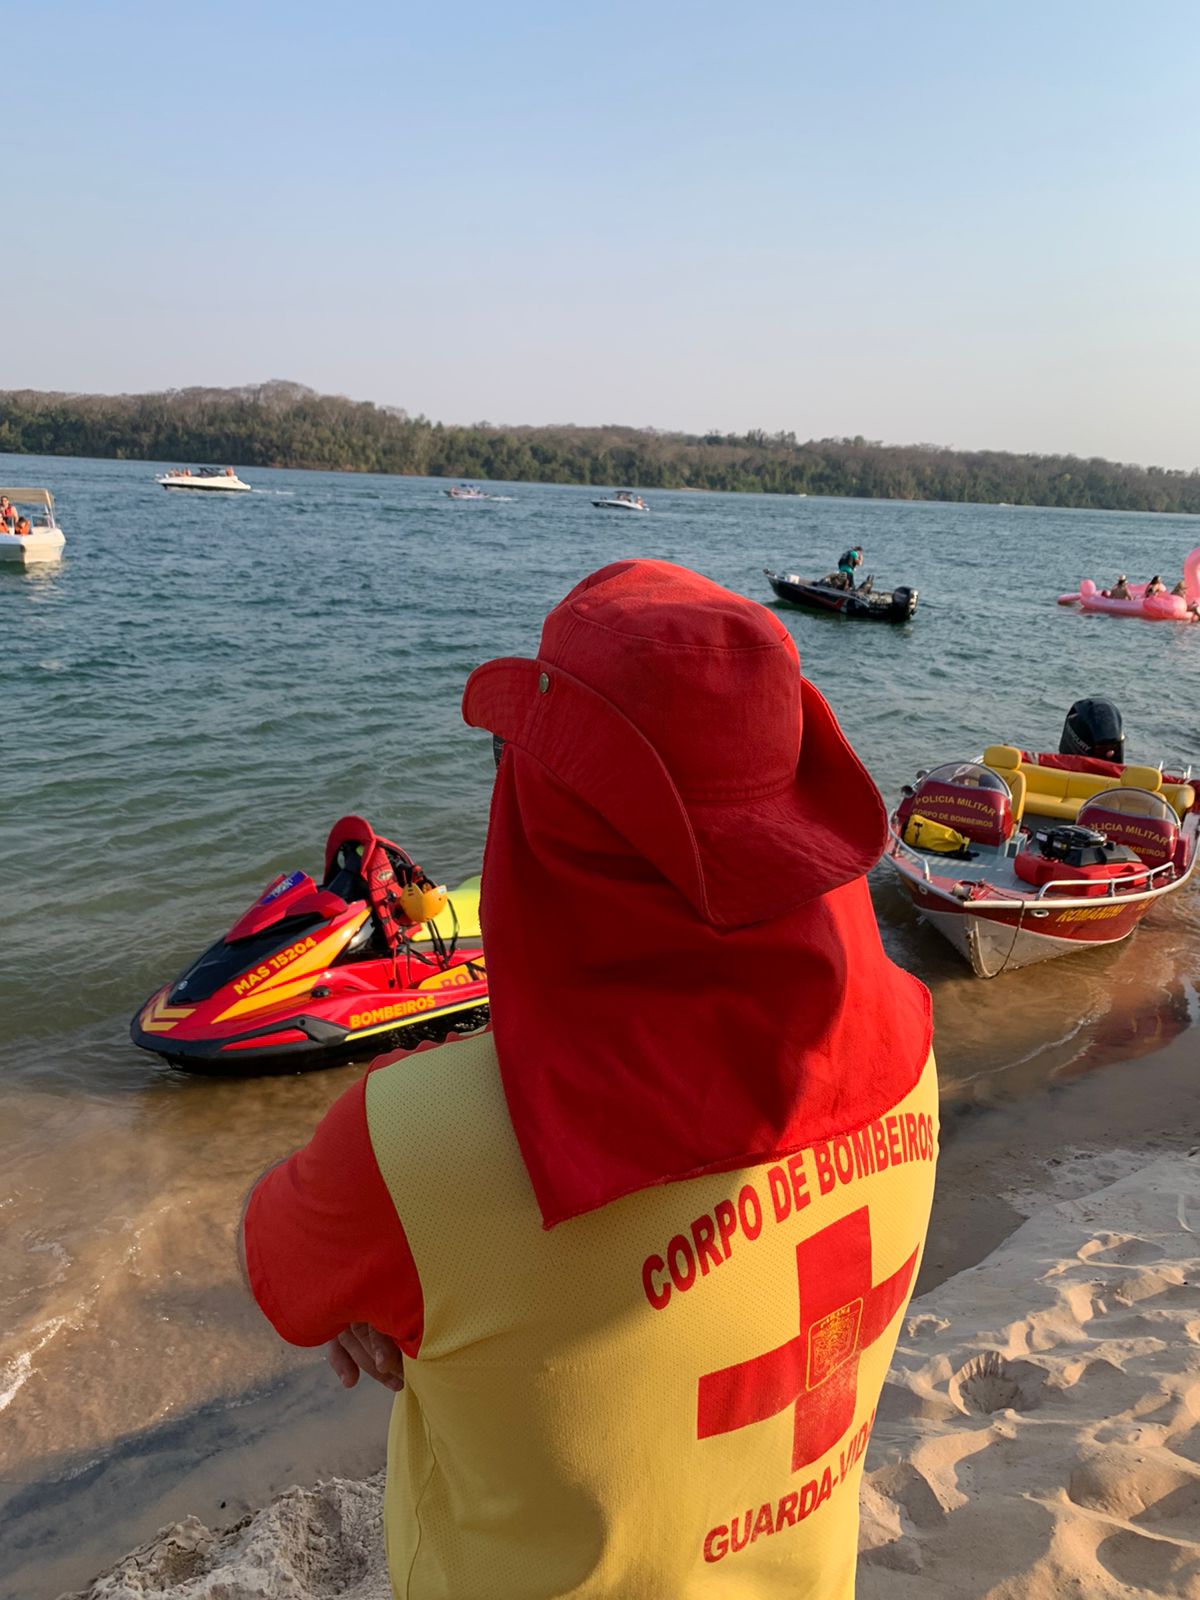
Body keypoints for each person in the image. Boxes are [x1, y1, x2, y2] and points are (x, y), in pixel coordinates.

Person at [241, 559, 936, 1599]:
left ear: (545, 807)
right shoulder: (910, 1054)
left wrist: (380, 1276)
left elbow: (276, 1267)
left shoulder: (418, 1148)